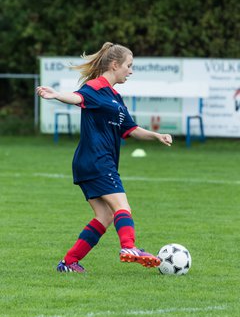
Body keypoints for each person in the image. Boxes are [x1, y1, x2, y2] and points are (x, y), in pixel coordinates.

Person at [37, 42, 172, 274]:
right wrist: (57, 95)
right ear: (114, 64)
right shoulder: (95, 87)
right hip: (97, 160)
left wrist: (156, 135)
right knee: (122, 206)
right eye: (129, 66)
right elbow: (78, 98)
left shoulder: (116, 99)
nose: (131, 71)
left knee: (105, 215)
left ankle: (69, 262)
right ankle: (129, 247)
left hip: (88, 163)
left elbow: (130, 129)